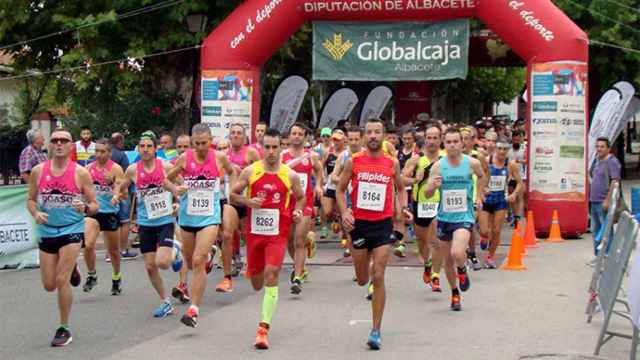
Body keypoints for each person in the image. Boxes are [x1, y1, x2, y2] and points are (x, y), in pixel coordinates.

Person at [336, 118, 412, 350]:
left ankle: (376, 329)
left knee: (378, 276)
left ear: (384, 135)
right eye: (369, 132)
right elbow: (340, 190)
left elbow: (400, 188)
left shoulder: (392, 163)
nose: (372, 136)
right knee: (362, 279)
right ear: (364, 136)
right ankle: (364, 270)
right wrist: (345, 211)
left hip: (382, 225)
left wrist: (403, 208)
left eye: (377, 132)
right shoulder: (354, 161)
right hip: (359, 226)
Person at [230, 128, 305, 350]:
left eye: (275, 147)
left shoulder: (289, 175)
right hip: (254, 234)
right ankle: (254, 271)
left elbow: (300, 198)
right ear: (261, 147)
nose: (271, 151)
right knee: (256, 283)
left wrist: (298, 211)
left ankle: (263, 329)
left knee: (272, 274)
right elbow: (232, 195)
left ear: (281, 148)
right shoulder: (250, 171)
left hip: (277, 234)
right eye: (267, 147)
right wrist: (248, 202)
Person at [26, 128, 99, 347]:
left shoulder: (80, 173)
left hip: (71, 230)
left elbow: (95, 205)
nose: (58, 144)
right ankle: (74, 269)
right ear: (50, 145)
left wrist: (84, 208)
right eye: (55, 140)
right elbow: (30, 200)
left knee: (61, 280)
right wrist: (36, 212)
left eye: (63, 141)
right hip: (47, 231)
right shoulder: (39, 171)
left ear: (70, 146)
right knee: (49, 285)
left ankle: (64, 327)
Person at [167, 124, 236, 327]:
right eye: (196, 143)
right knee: (190, 261)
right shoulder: (185, 158)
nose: (200, 147)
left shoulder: (218, 158)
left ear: (211, 140)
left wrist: (229, 190)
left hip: (209, 217)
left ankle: (194, 310)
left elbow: (232, 173)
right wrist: (176, 189)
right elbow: (166, 180)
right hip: (188, 217)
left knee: (198, 260)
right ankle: (210, 253)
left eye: (204, 143)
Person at [121, 132, 184, 318]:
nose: (146, 150)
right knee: (150, 266)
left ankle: (176, 251)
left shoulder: (164, 166)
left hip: (164, 220)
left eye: (149, 146)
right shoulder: (133, 170)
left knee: (163, 263)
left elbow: (181, 184)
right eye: (142, 146)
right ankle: (165, 301)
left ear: (156, 149)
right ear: (138, 149)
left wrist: (178, 202)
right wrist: (118, 195)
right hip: (144, 222)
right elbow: (123, 185)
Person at [425, 128, 486, 311]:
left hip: (464, 216)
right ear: (445, 144)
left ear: (462, 144)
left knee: (457, 252)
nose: (452, 145)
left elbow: (482, 177)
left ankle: (463, 269)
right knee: (447, 262)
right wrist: (433, 187)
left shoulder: (472, 163)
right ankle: (455, 293)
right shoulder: (438, 166)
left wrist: (479, 196)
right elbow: (427, 193)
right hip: (444, 217)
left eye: (455, 142)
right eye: (449, 142)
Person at [216, 123, 260, 293]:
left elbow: (261, 172)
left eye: (239, 133)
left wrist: (242, 172)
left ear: (244, 136)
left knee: (249, 234)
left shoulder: (251, 153)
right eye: (233, 133)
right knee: (227, 234)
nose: (235, 136)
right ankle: (227, 277)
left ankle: (252, 263)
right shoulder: (224, 155)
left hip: (248, 200)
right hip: (231, 200)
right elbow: (220, 178)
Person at [282, 123, 324, 294]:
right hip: (286, 204)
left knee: (298, 240)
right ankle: (299, 265)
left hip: (304, 203)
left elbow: (319, 171)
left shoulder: (311, 156)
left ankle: (298, 276)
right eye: (294, 133)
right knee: (290, 241)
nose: (297, 136)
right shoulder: (282, 156)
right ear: (289, 136)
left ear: (305, 137)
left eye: (300, 133)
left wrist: (319, 186)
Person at [82, 139, 126, 295]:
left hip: (110, 213)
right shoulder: (88, 169)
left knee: (113, 251)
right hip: (93, 213)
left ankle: (116, 277)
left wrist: (113, 183)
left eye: (103, 152)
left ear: (109, 153)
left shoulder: (116, 169)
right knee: (87, 245)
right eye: (97, 151)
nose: (99, 155)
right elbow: (83, 190)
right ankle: (92, 274)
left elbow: (124, 194)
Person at [403, 124, 443, 291]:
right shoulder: (416, 159)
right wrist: (415, 180)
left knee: (436, 241)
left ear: (440, 140)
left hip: (440, 204)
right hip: (420, 203)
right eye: (429, 138)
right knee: (422, 241)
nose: (432, 141)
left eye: (435, 138)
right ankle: (427, 263)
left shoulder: (446, 160)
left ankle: (436, 276)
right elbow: (401, 179)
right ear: (424, 139)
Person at [479, 138, 522, 269]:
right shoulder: (487, 161)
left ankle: (490, 257)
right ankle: (484, 237)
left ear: (508, 150)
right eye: (499, 148)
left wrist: (514, 194)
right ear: (495, 149)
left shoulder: (511, 165)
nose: (502, 151)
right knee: (485, 230)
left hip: (500, 201)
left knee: (497, 231)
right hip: (486, 200)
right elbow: (478, 178)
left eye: (505, 149)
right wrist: (482, 189)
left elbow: (520, 183)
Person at [589, 137, 621, 255]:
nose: (599, 149)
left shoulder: (612, 162)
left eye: (602, 146)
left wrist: (608, 200)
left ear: (608, 148)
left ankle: (607, 255)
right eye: (597, 146)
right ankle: (598, 256)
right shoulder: (597, 161)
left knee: (606, 230)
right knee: (595, 230)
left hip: (603, 201)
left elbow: (615, 181)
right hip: (594, 201)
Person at [109, 132, 137, 260]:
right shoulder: (122, 155)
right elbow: (128, 174)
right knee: (125, 221)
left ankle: (110, 252)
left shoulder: (106, 153)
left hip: (107, 192)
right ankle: (124, 250)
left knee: (111, 221)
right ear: (120, 142)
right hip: (122, 190)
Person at [320, 129, 346, 240]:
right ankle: (335, 218)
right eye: (334, 140)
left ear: (343, 141)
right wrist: (323, 179)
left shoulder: (346, 153)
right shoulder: (328, 152)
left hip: (343, 185)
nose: (335, 142)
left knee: (343, 212)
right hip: (331, 185)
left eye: (338, 140)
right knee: (327, 211)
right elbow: (320, 167)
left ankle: (345, 237)